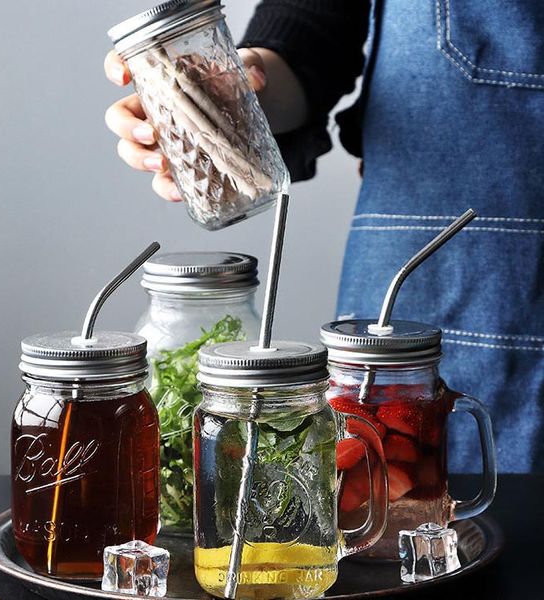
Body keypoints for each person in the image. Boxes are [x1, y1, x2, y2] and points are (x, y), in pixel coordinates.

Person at [104, 0, 544, 473]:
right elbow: (313, 26)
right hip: (431, 263)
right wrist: (228, 94)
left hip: (435, 253)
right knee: (390, 499)